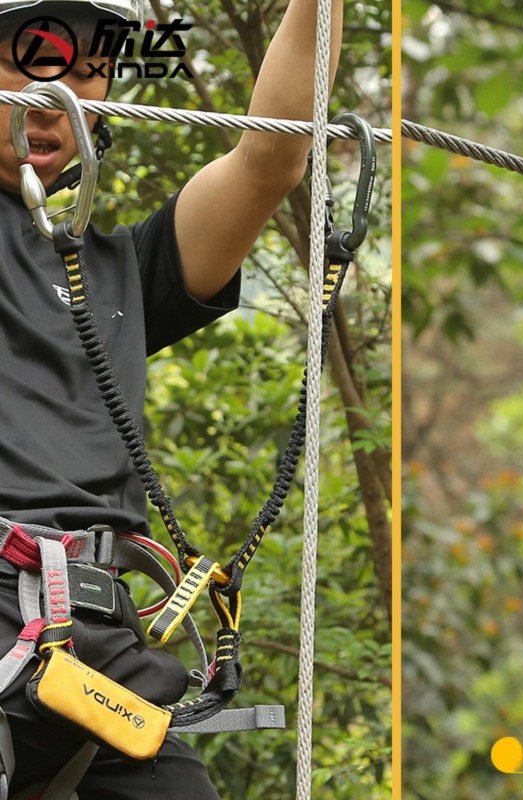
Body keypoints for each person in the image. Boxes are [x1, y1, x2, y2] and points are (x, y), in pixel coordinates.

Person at [0, 0, 343, 797]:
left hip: (90, 637)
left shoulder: (117, 271)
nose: (52, 97)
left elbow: (269, 160)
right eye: (24, 62)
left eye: (85, 73)